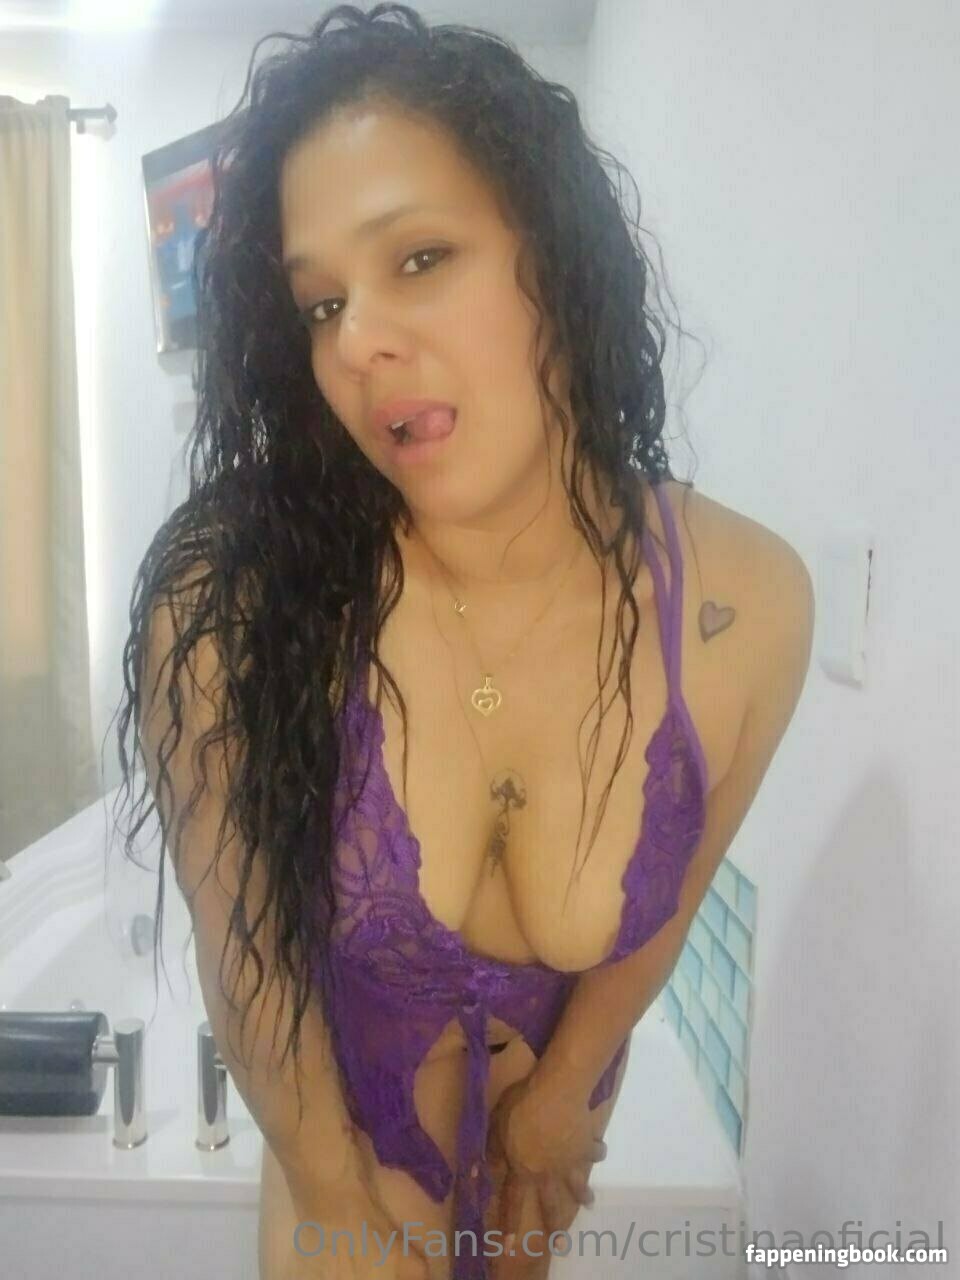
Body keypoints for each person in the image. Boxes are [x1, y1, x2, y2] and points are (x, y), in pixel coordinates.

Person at [114, 5, 814, 1278]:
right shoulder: (238, 595)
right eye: (321, 303)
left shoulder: (745, 600)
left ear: (557, 253)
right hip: (342, 1196)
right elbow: (243, 954)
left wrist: (564, 1091)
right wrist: (336, 1198)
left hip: (540, 1182)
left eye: (421, 257)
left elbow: (668, 899)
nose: (357, 342)